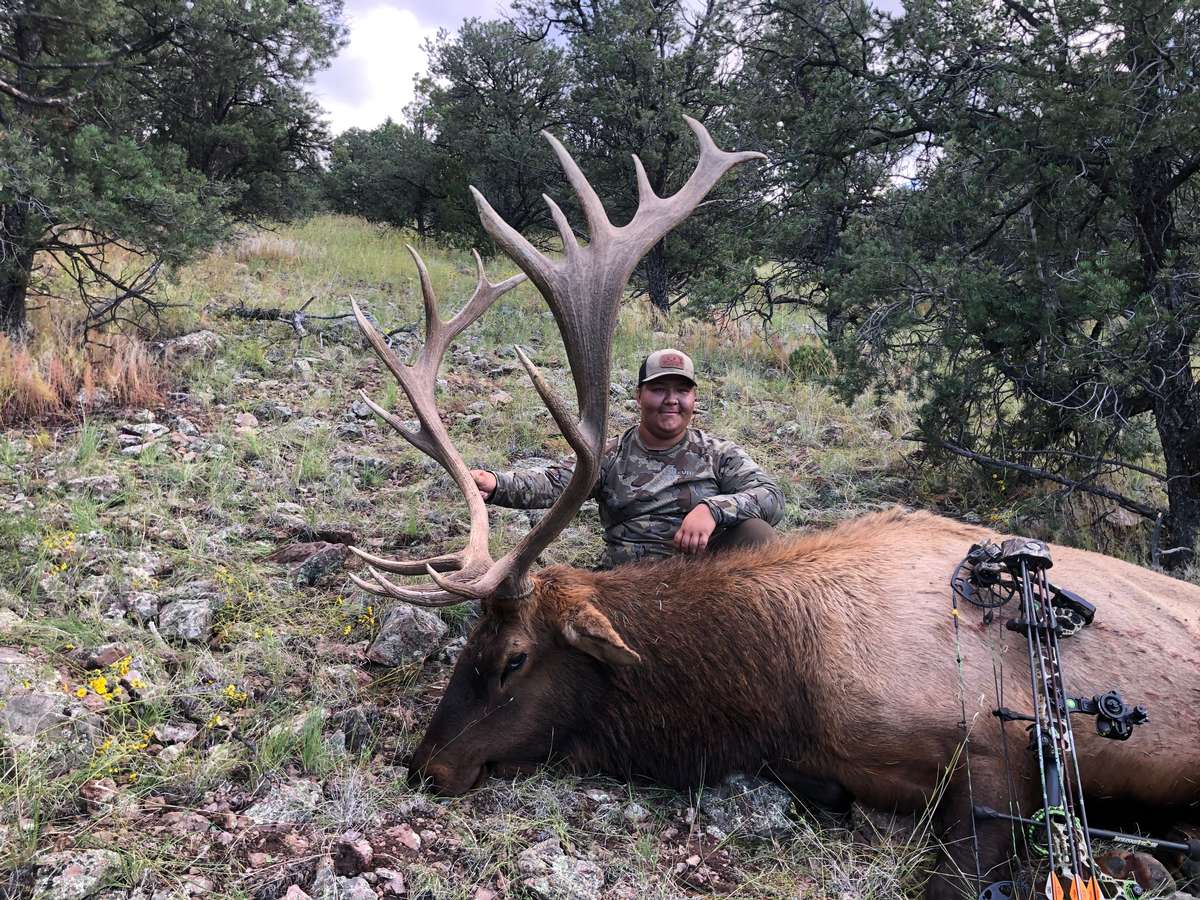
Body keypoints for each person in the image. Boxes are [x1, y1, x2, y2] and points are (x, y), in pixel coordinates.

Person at [470, 348, 784, 568]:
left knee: (759, 535)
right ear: (638, 396)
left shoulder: (717, 453)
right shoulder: (609, 455)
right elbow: (553, 482)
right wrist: (495, 484)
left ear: (694, 398)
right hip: (629, 585)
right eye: (659, 389)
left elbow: (771, 497)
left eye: (682, 391)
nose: (671, 400)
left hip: (703, 581)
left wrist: (713, 509)